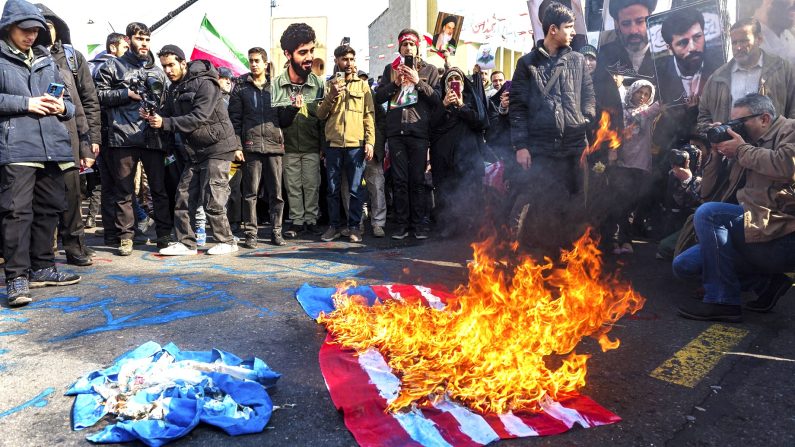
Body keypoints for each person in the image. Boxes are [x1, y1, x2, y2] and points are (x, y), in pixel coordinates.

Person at [673, 94, 795, 322]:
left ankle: (723, 301)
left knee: (710, 214)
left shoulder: (790, 130)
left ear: (765, 119)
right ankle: (767, 283)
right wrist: (716, 153)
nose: (734, 128)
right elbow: (706, 192)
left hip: (783, 233)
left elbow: (786, 165)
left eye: (740, 122)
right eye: (731, 122)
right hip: (752, 227)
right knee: (684, 265)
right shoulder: (745, 143)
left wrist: (741, 150)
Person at [0, 0, 80, 307]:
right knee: (17, 212)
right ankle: (17, 277)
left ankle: (43, 266)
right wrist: (26, 103)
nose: (31, 36)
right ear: (9, 27)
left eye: (35, 30)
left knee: (49, 208)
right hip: (17, 146)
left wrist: (62, 107)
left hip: (53, 145)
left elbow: (71, 104)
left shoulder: (48, 59)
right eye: (25, 29)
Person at [509, 2, 595, 251]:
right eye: (569, 27)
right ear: (553, 29)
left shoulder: (578, 60)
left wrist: (584, 120)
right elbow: (517, 108)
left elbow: (589, 98)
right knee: (542, 203)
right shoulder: (527, 64)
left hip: (575, 146)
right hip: (541, 148)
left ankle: (568, 258)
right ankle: (537, 258)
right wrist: (521, 146)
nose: (573, 32)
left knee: (574, 204)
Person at [144, 45, 241, 256]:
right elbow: (167, 114)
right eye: (164, 66)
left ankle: (227, 240)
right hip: (195, 151)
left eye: (171, 65)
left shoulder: (206, 83)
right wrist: (152, 116)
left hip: (218, 147)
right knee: (184, 196)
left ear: (182, 62)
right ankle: (186, 243)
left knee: (212, 196)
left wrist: (164, 122)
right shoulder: (174, 89)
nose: (168, 70)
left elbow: (198, 117)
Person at [94, 22, 171, 256]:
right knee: (124, 191)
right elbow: (97, 95)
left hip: (152, 136)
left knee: (158, 189)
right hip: (122, 137)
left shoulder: (157, 71)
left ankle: (164, 235)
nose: (144, 44)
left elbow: (166, 102)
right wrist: (125, 93)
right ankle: (125, 237)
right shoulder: (112, 66)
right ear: (128, 40)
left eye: (147, 39)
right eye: (140, 39)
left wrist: (158, 115)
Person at [37, 4, 101, 267]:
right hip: (33, 140)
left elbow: (89, 101)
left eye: (48, 26)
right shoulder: (21, 58)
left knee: (72, 195)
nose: (41, 31)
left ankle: (75, 247)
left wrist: (90, 142)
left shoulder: (73, 58)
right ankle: (40, 251)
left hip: (70, 138)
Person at [229, 46, 300, 248]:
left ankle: (276, 232)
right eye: (250, 60)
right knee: (249, 194)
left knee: (276, 194)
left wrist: (294, 109)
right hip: (250, 147)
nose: (253, 64)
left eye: (257, 60)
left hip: (274, 147)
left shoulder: (277, 87)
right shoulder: (240, 87)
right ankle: (251, 233)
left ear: (265, 63)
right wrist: (237, 146)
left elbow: (284, 121)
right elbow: (234, 120)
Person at [374, 28, 440, 239]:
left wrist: (417, 81)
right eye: (405, 44)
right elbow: (378, 97)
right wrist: (395, 83)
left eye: (412, 44)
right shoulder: (390, 69)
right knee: (399, 180)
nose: (408, 47)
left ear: (418, 46)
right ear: (400, 48)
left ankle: (419, 224)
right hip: (396, 133)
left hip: (419, 132)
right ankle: (402, 224)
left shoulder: (430, 70)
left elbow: (437, 99)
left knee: (418, 181)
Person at [316, 45, 375, 242]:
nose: (348, 63)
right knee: (332, 189)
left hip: (356, 145)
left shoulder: (362, 85)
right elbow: (320, 114)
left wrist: (370, 142)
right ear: (336, 61)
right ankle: (333, 226)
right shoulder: (328, 85)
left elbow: (369, 115)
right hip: (333, 145)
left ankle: (354, 228)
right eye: (344, 59)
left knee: (356, 189)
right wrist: (332, 94)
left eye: (351, 59)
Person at [272, 24, 325, 241]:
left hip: (312, 147)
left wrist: (323, 147)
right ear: (288, 54)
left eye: (312, 51)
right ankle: (296, 221)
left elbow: (323, 120)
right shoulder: (277, 85)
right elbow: (276, 120)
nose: (309, 57)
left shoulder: (318, 84)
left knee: (312, 185)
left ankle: (311, 221)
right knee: (292, 186)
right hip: (289, 147)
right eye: (303, 52)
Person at [697, 18, 795, 130]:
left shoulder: (782, 69)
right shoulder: (718, 77)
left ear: (759, 39)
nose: (738, 47)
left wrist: (787, 138)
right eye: (734, 42)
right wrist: (712, 129)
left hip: (771, 146)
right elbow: (703, 116)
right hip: (730, 144)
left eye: (744, 41)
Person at [430, 67, 489, 239]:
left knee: (470, 191)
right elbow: (432, 125)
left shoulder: (471, 99)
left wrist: (462, 106)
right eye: (450, 80)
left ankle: (471, 227)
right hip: (443, 158)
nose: (453, 83)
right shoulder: (439, 101)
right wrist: (444, 105)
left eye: (457, 79)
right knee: (446, 192)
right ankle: (447, 226)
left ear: (463, 84)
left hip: (468, 157)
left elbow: (481, 121)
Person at [605, 80, 662, 255]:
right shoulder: (620, 109)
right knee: (618, 201)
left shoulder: (650, 111)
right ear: (632, 92)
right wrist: (611, 153)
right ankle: (617, 240)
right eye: (639, 92)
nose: (642, 97)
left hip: (641, 164)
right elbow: (611, 131)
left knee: (632, 203)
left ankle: (625, 238)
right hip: (622, 163)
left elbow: (669, 97)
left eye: (646, 94)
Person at [593, 0, 657, 134]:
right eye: (626, 24)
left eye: (640, 21)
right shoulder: (603, 55)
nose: (634, 30)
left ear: (650, 19)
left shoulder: (666, 54)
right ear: (617, 24)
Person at [656, 8, 722, 106]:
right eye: (682, 42)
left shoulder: (721, 64)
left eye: (697, 37)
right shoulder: (660, 75)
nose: (692, 48)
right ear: (670, 48)